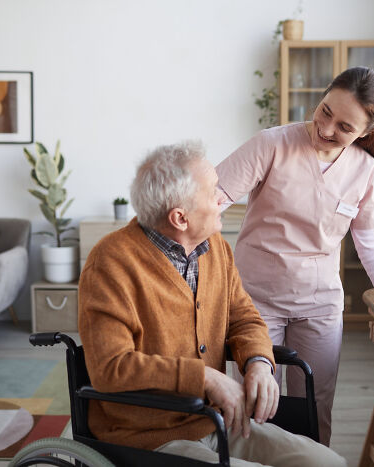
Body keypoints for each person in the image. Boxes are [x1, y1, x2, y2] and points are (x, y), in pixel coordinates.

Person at [215, 66, 374, 446]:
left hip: (319, 306)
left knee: (313, 409)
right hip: (255, 303)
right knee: (254, 406)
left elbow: (372, 246)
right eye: (326, 110)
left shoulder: (364, 171)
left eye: (345, 127)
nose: (326, 129)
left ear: (367, 131)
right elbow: (210, 202)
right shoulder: (272, 144)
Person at [78, 140, 346, 466]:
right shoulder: (111, 263)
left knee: (327, 463)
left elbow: (244, 317)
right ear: (180, 218)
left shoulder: (215, 247)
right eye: (213, 192)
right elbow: (111, 368)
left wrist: (259, 361)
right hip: (146, 435)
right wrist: (205, 377)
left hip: (215, 419)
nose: (224, 198)